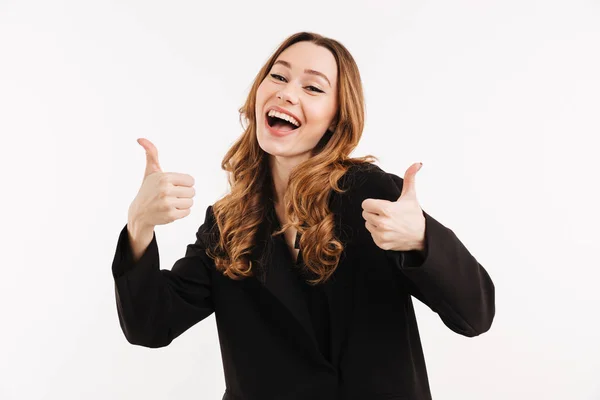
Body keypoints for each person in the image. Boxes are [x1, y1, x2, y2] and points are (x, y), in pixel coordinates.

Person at [111, 32, 495, 400]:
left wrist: (422, 240)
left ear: (335, 118)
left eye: (312, 87)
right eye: (278, 76)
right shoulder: (227, 222)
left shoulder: (372, 194)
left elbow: (474, 315)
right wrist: (139, 225)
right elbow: (151, 325)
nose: (286, 91)